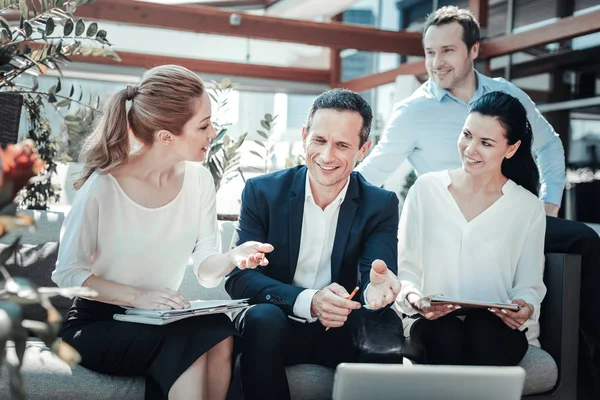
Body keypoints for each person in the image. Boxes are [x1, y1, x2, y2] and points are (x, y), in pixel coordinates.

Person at [356, 3, 600, 391]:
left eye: (447, 50)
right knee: (447, 333)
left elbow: (549, 146)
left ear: (473, 50)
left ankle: (587, 361)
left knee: (585, 240)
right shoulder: (413, 112)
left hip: (506, 213)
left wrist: (546, 205)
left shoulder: (506, 97)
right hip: (442, 222)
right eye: (429, 52)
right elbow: (372, 173)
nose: (436, 61)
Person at [52, 65, 273, 400]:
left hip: (158, 318)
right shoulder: (103, 186)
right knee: (189, 346)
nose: (213, 132)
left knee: (221, 331)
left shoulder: (199, 181)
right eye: (203, 125)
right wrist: (139, 298)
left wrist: (232, 258)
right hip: (97, 323)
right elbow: (67, 275)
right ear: (167, 136)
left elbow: (206, 271)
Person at [225, 88, 403, 400]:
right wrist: (309, 300)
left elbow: (376, 277)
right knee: (262, 317)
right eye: (319, 140)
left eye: (342, 145)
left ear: (364, 149)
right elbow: (239, 278)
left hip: (340, 330)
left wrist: (378, 291)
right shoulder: (262, 192)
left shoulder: (381, 204)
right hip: (276, 325)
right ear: (305, 135)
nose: (326, 156)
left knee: (384, 322)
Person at [396, 91, 546, 365]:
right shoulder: (426, 190)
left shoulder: (528, 207)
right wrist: (415, 299)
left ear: (511, 148)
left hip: (496, 330)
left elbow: (528, 285)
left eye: (486, 143)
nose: (470, 149)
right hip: (431, 324)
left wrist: (525, 305)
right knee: (445, 333)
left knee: (483, 331)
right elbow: (405, 271)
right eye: (467, 135)